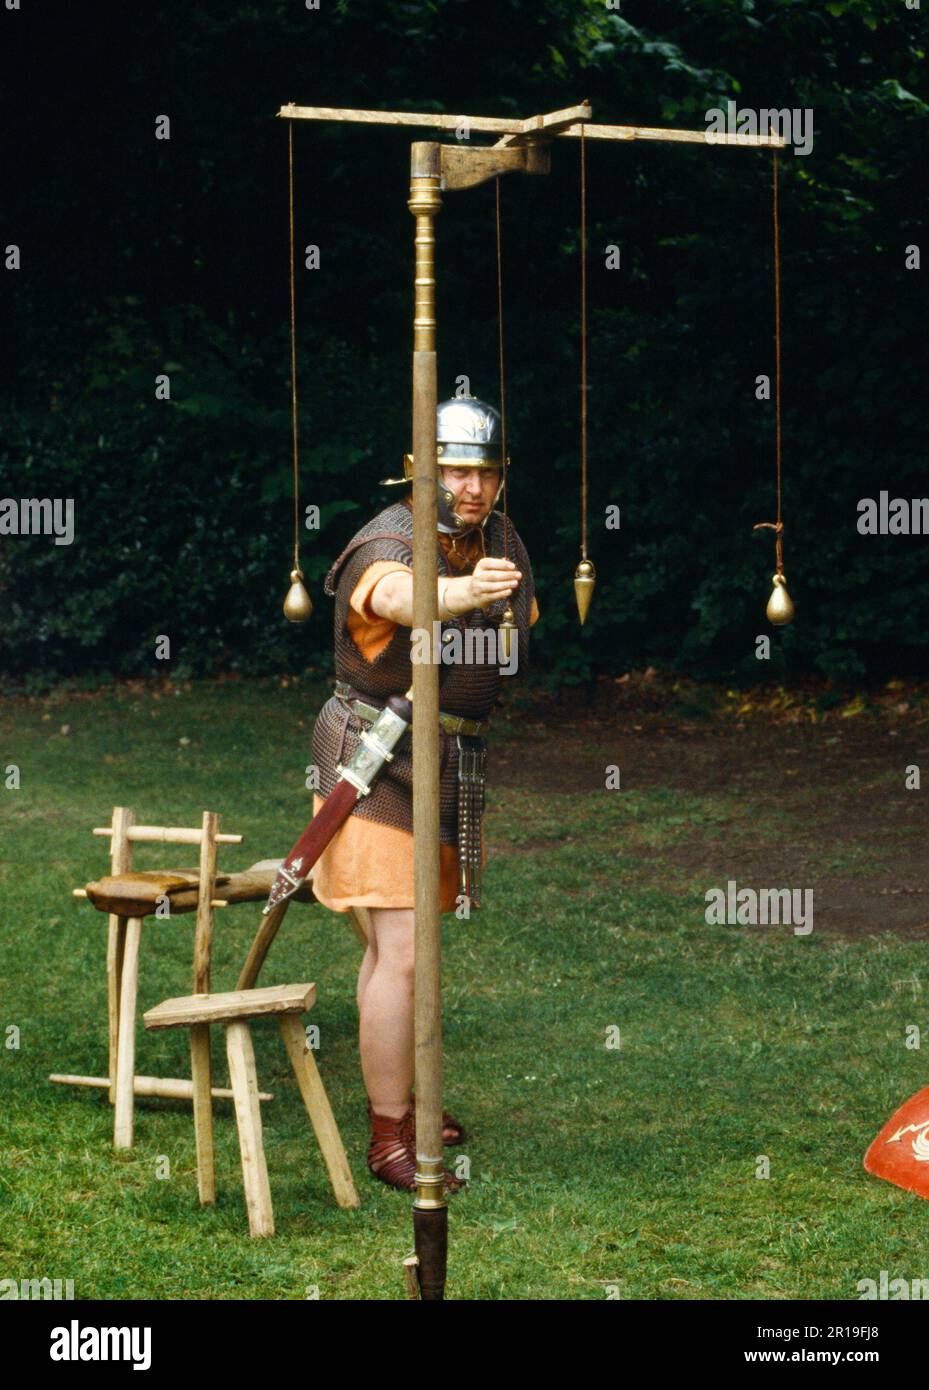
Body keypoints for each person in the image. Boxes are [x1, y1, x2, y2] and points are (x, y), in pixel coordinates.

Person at [310, 393, 538, 1192]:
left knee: (417, 954)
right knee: (400, 953)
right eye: (456, 469)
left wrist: (490, 600)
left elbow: (513, 633)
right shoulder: (388, 539)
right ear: (421, 468)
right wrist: (461, 594)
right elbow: (400, 600)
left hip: (447, 767)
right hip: (374, 761)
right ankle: (386, 1134)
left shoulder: (499, 538)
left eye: (486, 471)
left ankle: (408, 1100)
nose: (471, 486)